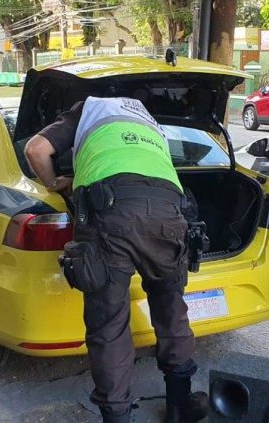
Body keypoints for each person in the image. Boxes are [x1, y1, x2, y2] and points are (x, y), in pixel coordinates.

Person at [25, 96, 207, 423]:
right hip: (169, 210)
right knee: (171, 307)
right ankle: (180, 404)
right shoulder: (146, 117)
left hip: (109, 213)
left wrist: (56, 184)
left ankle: (118, 416)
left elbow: (36, 150)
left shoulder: (88, 108)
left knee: (109, 323)